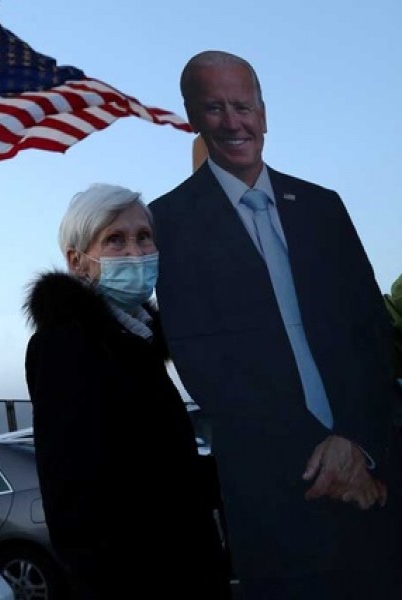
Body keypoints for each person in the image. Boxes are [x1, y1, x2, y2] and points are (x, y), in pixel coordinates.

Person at [149, 50, 402, 598]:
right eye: (214, 108)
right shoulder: (168, 223)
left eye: (243, 106)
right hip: (278, 504)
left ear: (264, 113)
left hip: (373, 488)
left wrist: (357, 446)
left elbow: (372, 335)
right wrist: (324, 458)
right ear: (192, 115)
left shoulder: (322, 207)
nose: (233, 122)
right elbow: (203, 363)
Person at [23, 183, 232, 598]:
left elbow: (161, 467)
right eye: (115, 240)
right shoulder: (64, 346)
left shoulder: (137, 339)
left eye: (144, 236)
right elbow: (75, 499)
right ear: (78, 262)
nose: (136, 252)